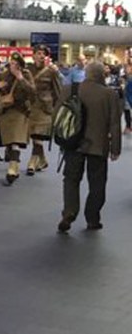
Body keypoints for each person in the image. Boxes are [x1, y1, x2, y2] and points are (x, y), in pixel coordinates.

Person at [58, 61, 122, 232]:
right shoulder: (109, 94)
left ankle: (69, 212)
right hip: (98, 146)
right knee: (97, 183)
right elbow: (114, 123)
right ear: (102, 75)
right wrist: (115, 148)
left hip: (74, 143)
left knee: (71, 179)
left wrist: (60, 141)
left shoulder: (70, 89)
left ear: (86, 73)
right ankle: (92, 218)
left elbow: (58, 115)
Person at [0, 52, 36, 185]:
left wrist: (20, 78)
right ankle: (15, 165)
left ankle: (12, 167)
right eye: (11, 63)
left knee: (15, 140)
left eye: (16, 64)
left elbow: (32, 92)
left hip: (20, 111)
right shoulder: (3, 75)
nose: (13, 66)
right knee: (9, 142)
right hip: (5, 111)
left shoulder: (26, 75)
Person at [27, 45, 63, 175]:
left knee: (38, 135)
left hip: (45, 108)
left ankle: (33, 161)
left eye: (44, 54)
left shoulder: (51, 71)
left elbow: (58, 91)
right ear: (33, 55)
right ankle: (42, 160)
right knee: (34, 136)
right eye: (39, 53)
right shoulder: (28, 70)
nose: (41, 56)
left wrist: (58, 110)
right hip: (31, 106)